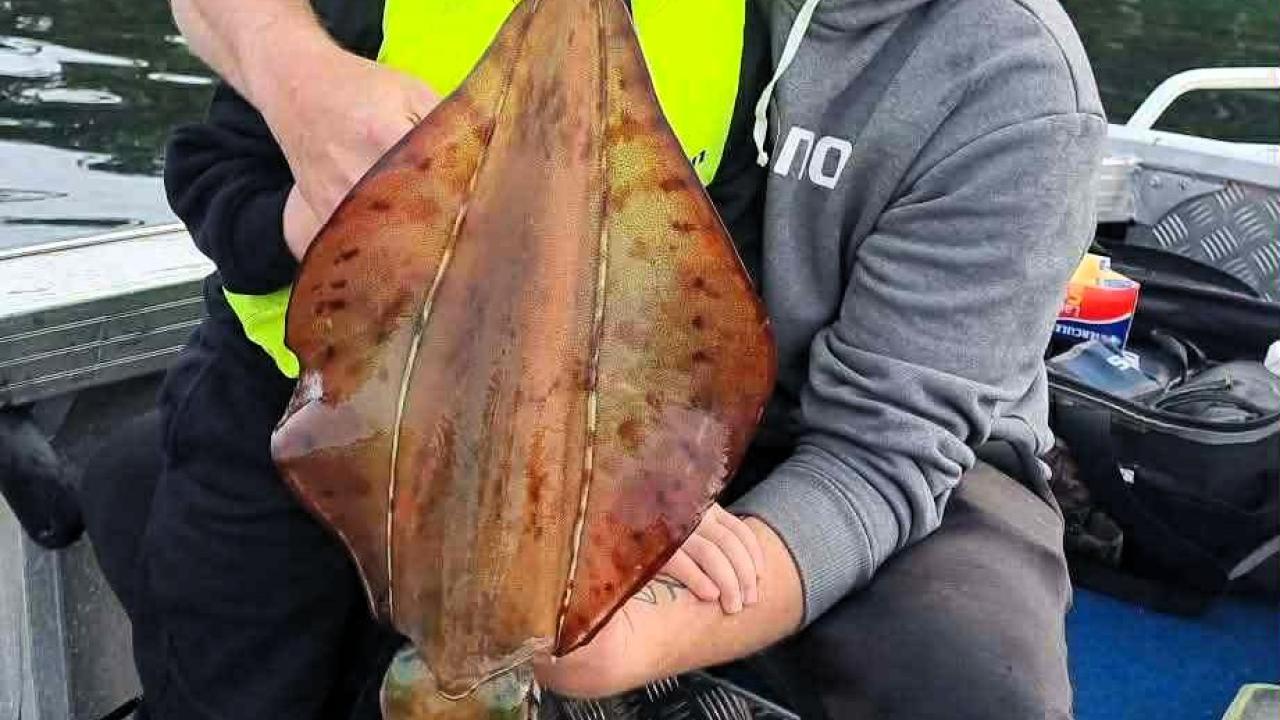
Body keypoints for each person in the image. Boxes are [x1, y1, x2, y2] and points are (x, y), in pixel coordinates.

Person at [22, 0, 1105, 717]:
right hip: (500, 395)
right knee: (207, 557)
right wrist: (300, 94)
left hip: (839, 440)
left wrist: (630, 611)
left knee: (967, 678)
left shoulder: (1006, 82)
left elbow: (885, 454)